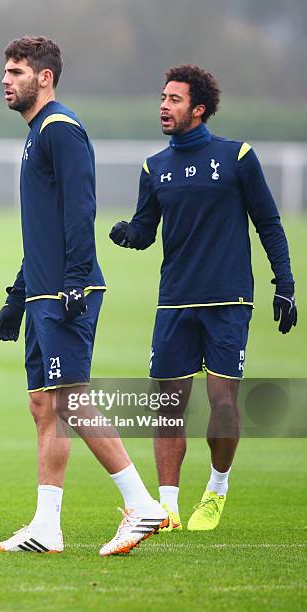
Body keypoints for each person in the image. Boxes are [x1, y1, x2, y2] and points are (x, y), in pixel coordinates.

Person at [0, 36, 167, 557]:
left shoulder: (61, 128)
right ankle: (47, 528)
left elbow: (80, 208)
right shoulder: (35, 133)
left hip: (69, 288)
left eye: (17, 71)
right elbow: (41, 226)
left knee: (70, 400)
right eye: (5, 69)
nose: (6, 78)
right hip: (43, 291)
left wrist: (71, 279)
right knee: (44, 405)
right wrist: (18, 295)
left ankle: (143, 505)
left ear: (44, 78)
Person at [110, 65, 297, 531]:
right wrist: (128, 235)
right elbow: (145, 230)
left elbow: (269, 223)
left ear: (198, 108)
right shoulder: (154, 167)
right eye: (161, 98)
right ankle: (167, 506)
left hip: (228, 299)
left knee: (223, 403)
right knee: (169, 407)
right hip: (174, 300)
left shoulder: (237, 157)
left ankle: (216, 489)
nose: (163, 106)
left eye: (174, 99)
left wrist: (285, 284)